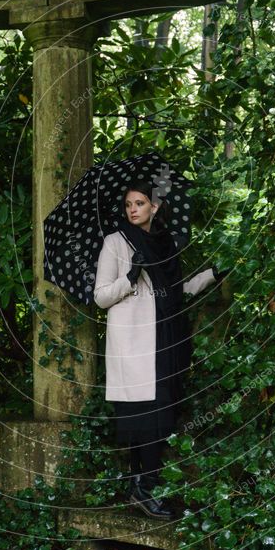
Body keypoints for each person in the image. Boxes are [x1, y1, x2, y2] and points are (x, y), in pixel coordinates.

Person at [93, 178, 228, 520]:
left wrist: (211, 275)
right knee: (144, 421)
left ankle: (141, 487)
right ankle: (144, 489)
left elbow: (175, 293)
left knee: (160, 418)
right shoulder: (115, 243)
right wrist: (130, 275)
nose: (132, 210)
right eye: (128, 205)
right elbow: (101, 297)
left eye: (139, 204)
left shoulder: (166, 244)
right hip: (133, 346)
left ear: (154, 207)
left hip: (164, 343)